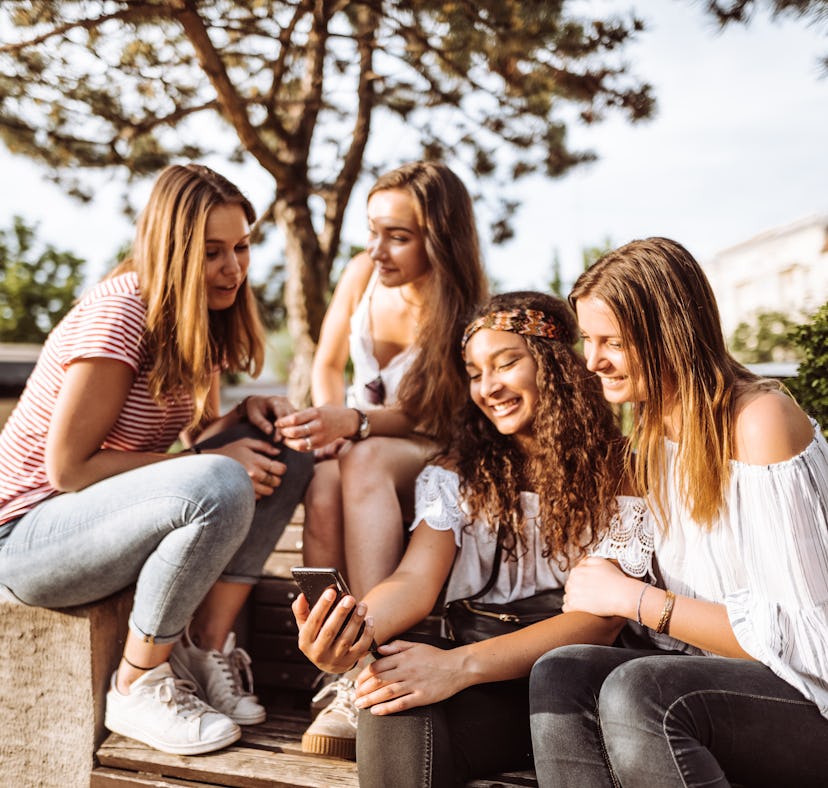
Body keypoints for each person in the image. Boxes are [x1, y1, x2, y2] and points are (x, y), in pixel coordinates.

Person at [0, 164, 314, 756]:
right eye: (213, 252)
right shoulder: (120, 315)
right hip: (27, 537)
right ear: (172, 250)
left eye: (242, 247)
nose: (235, 268)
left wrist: (251, 416)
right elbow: (69, 470)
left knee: (288, 450)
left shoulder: (203, 319)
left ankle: (203, 645)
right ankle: (138, 682)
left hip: (106, 521)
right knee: (220, 477)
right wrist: (209, 457)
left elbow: (194, 436)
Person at [292, 291, 655, 783]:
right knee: (385, 696)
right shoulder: (459, 473)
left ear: (554, 366)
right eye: (475, 373)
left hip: (580, 693)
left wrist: (457, 667)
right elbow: (415, 580)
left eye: (506, 363)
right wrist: (356, 630)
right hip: (485, 684)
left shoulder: (622, 470)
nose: (489, 387)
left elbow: (599, 624)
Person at [530, 237, 828, 788]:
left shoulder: (760, 422)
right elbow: (600, 591)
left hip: (812, 701)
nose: (592, 360)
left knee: (641, 692)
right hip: (712, 689)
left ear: (669, 335)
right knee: (562, 673)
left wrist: (634, 599)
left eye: (611, 341)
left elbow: (808, 643)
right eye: (588, 340)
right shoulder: (649, 444)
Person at [275, 161, 488, 755]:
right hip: (362, 439)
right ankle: (336, 663)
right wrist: (330, 421)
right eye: (373, 232)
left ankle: (369, 656)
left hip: (427, 444)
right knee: (323, 483)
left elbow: (438, 414)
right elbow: (325, 362)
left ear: (440, 237)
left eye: (399, 236)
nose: (379, 249)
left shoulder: (463, 307)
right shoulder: (362, 273)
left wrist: (358, 424)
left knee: (362, 462)